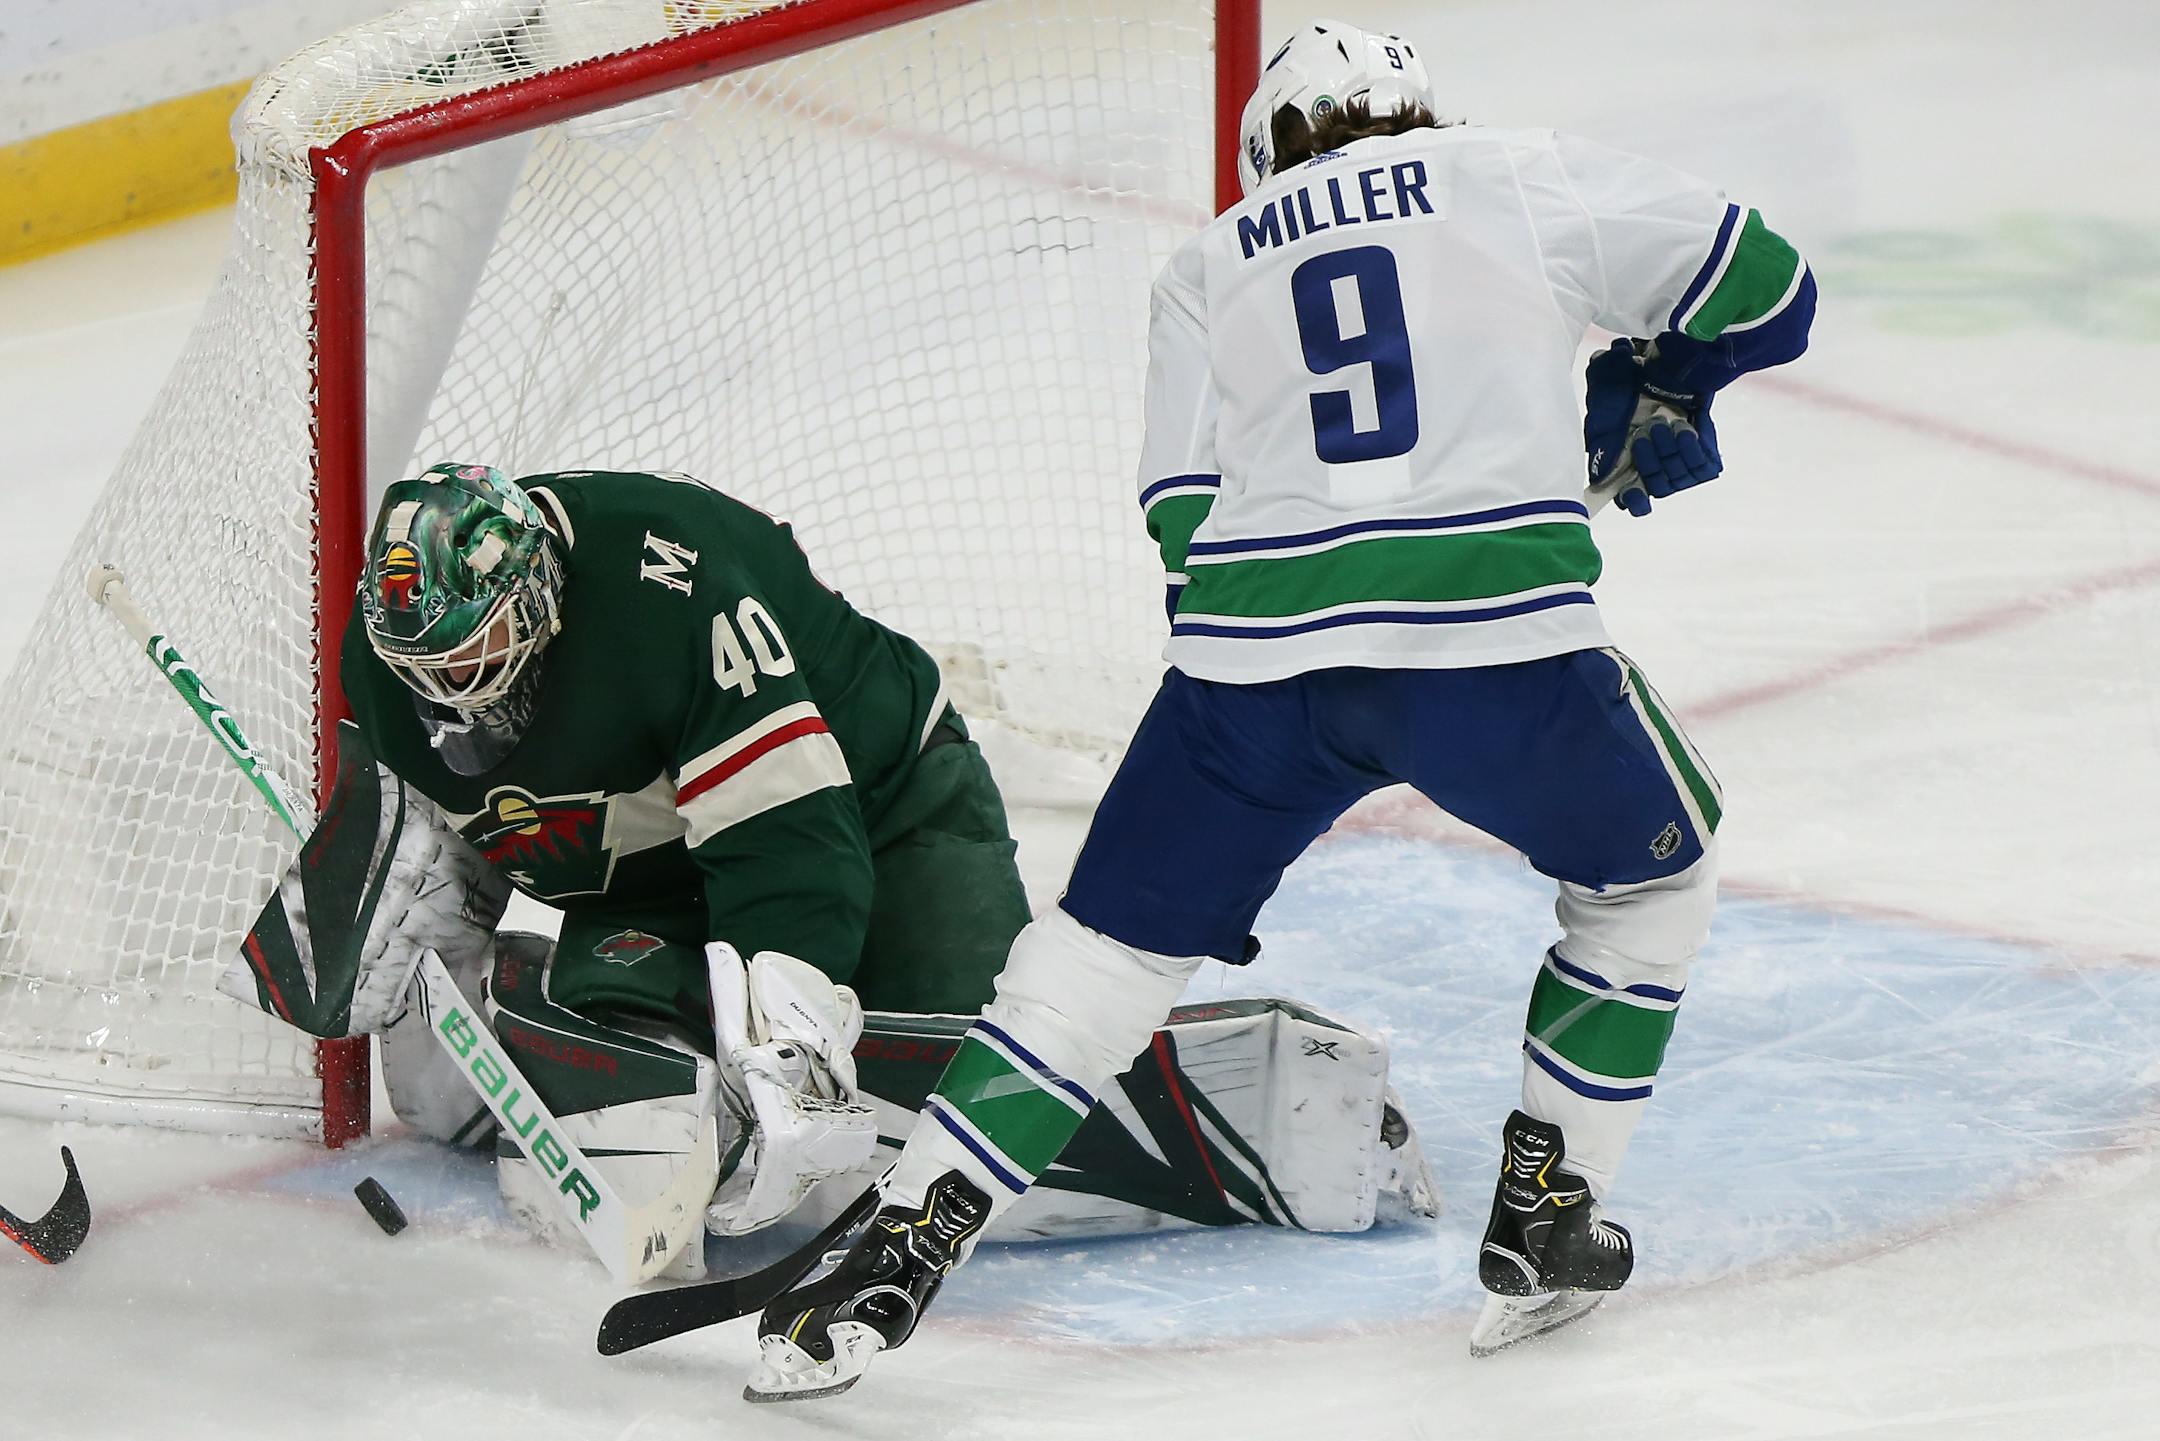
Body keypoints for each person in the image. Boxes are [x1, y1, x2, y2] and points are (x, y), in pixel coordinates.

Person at [746, 18, 1815, 1400]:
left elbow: (1185, 522)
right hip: (1494, 647)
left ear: (1267, 156)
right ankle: (1547, 1208)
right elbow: (1770, 284)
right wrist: (1668, 378)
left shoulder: (1209, 260)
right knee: (1653, 879)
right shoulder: (1508, 173)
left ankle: (903, 1233)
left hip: (1252, 673)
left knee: (1096, 968)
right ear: (1419, 110)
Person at [239, 461, 1428, 1267]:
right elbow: (423, 838)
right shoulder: (398, 662)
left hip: (884, 801)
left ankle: (1255, 1125)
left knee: (950, 1043)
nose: (460, 689)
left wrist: (793, 1027)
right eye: (431, 667)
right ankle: (692, 1090)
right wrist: (412, 977)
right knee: (642, 1065)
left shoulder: (670, 582)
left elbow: (791, 839)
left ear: (540, 591)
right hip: (658, 889)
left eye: (485, 650)